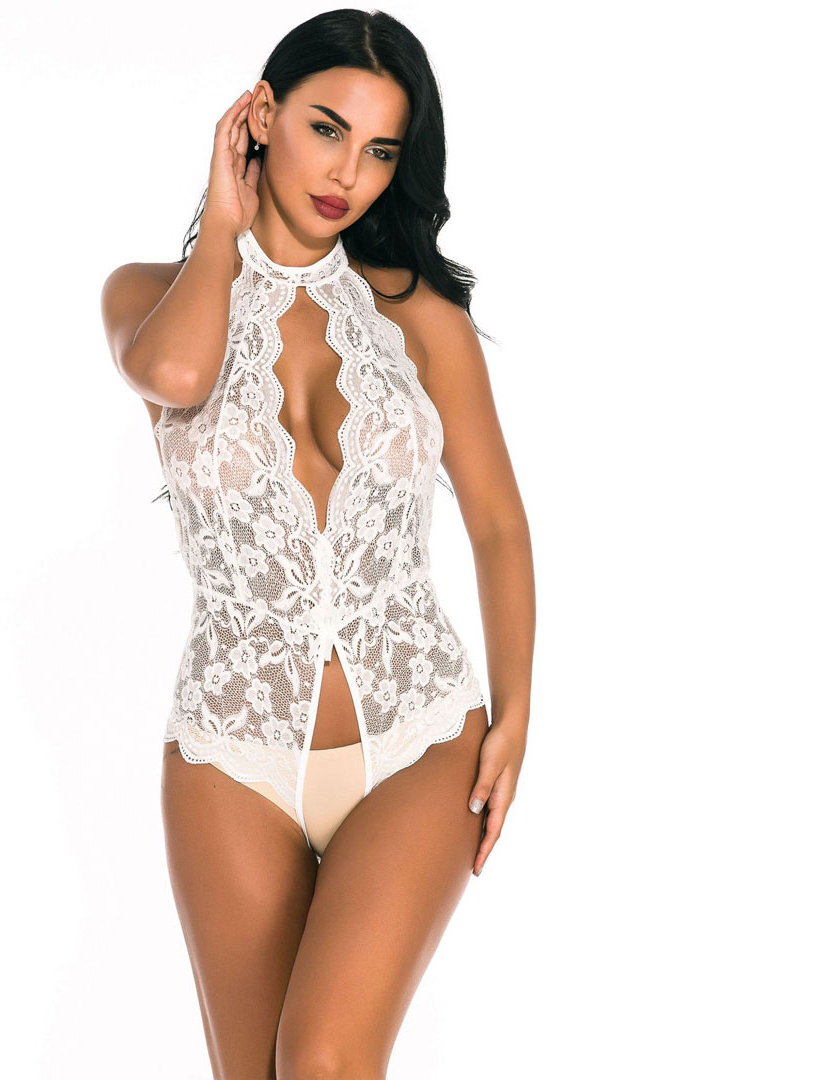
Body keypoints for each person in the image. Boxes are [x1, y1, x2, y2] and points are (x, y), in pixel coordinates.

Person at [101, 11, 534, 1078]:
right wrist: (223, 216)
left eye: (381, 149)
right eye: (327, 128)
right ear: (262, 114)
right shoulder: (145, 297)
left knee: (326, 1060)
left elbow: (495, 521)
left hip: (418, 734)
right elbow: (179, 378)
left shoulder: (420, 318)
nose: (348, 173)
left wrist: (516, 711)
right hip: (230, 751)